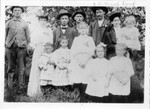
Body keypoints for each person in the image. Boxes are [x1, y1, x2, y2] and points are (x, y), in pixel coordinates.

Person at [68, 22, 95, 102]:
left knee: (86, 76)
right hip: (78, 60)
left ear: (87, 29)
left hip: (87, 60)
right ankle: (79, 95)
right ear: (78, 30)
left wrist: (85, 61)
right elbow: (73, 51)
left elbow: (92, 51)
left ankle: (86, 95)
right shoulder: (76, 39)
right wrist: (79, 61)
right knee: (78, 76)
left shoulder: (90, 39)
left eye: (84, 28)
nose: (83, 30)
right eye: (81, 28)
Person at [27, 15, 53, 97]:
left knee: (46, 68)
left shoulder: (49, 30)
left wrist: (47, 48)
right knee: (36, 68)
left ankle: (45, 90)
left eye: (45, 20)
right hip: (38, 49)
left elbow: (51, 41)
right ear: (39, 21)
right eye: (41, 20)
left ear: (47, 21)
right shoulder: (36, 30)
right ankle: (34, 91)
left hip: (46, 50)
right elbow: (32, 41)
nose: (43, 21)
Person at [5, 6, 31, 90]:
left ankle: (21, 87)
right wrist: (6, 45)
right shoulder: (9, 23)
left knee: (22, 68)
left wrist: (28, 46)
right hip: (10, 48)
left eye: (19, 10)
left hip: (21, 48)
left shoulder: (24, 23)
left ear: (21, 12)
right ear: (12, 12)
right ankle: (10, 87)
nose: (17, 12)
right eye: (15, 10)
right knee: (10, 68)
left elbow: (28, 37)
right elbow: (4, 35)